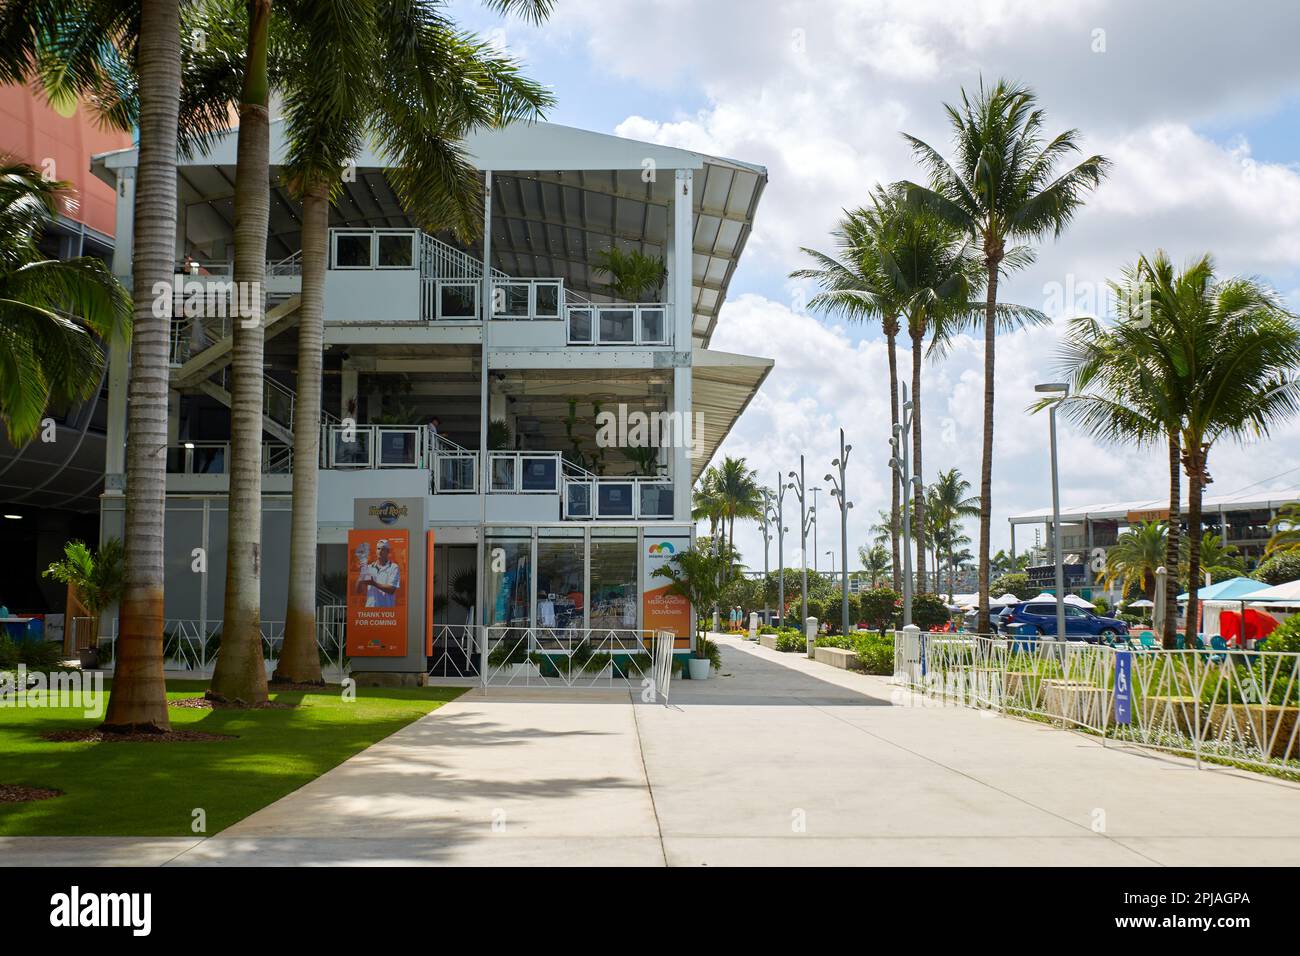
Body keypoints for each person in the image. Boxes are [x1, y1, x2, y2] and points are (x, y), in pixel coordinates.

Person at [358, 539, 401, 608]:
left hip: (386, 611)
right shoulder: (368, 567)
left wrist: (373, 583)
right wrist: (361, 574)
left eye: (383, 549)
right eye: (378, 548)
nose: (380, 551)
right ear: (376, 551)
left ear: (388, 551)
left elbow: (391, 590)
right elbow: (358, 591)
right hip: (370, 611)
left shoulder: (394, 567)